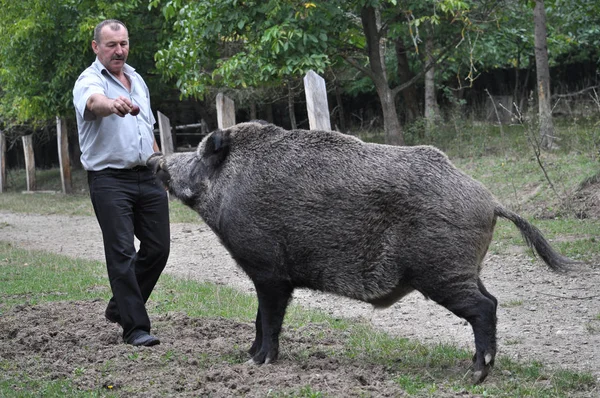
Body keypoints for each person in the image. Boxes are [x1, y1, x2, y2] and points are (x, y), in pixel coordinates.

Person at [73, 19, 170, 347]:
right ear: (96, 47)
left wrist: (161, 165)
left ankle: (120, 306)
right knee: (122, 253)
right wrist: (112, 105)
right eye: (111, 44)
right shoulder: (89, 81)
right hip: (109, 180)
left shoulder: (137, 79)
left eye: (123, 43)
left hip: (148, 175)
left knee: (158, 248)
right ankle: (136, 328)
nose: (119, 50)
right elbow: (93, 103)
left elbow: (148, 129)